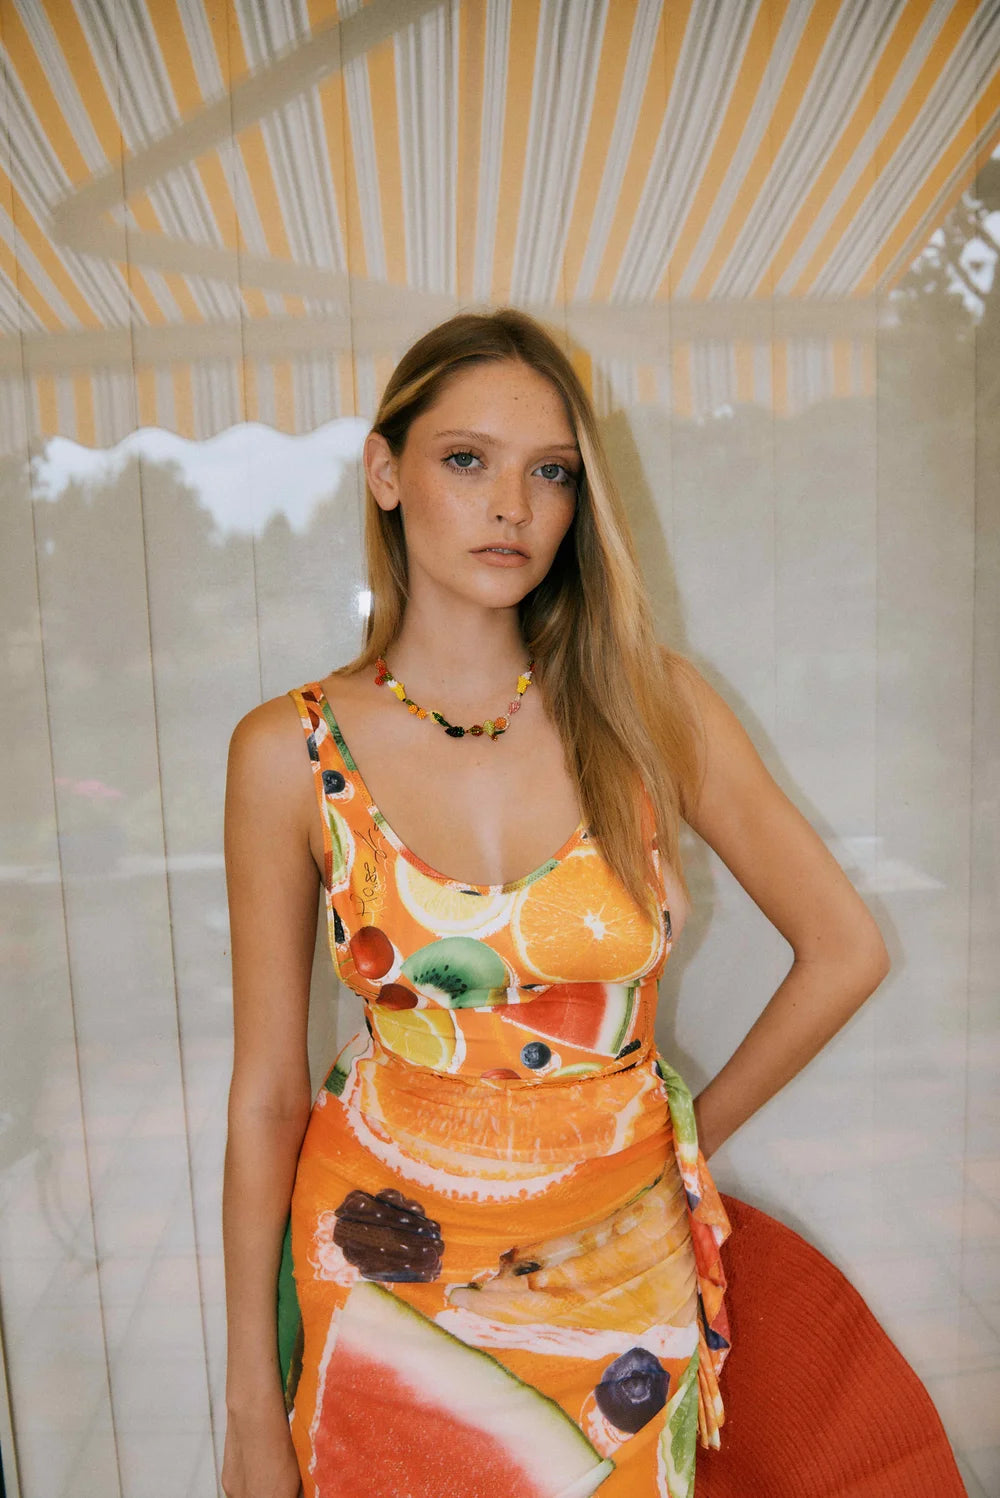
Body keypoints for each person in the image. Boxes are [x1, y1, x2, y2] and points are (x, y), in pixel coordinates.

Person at [220, 308, 890, 1498]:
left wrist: (683, 1145)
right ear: (386, 473)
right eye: (465, 459)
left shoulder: (650, 708)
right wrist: (246, 1409)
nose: (512, 507)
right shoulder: (288, 750)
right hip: (375, 1275)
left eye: (551, 472)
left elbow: (844, 948)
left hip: (617, 1290)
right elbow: (268, 1090)